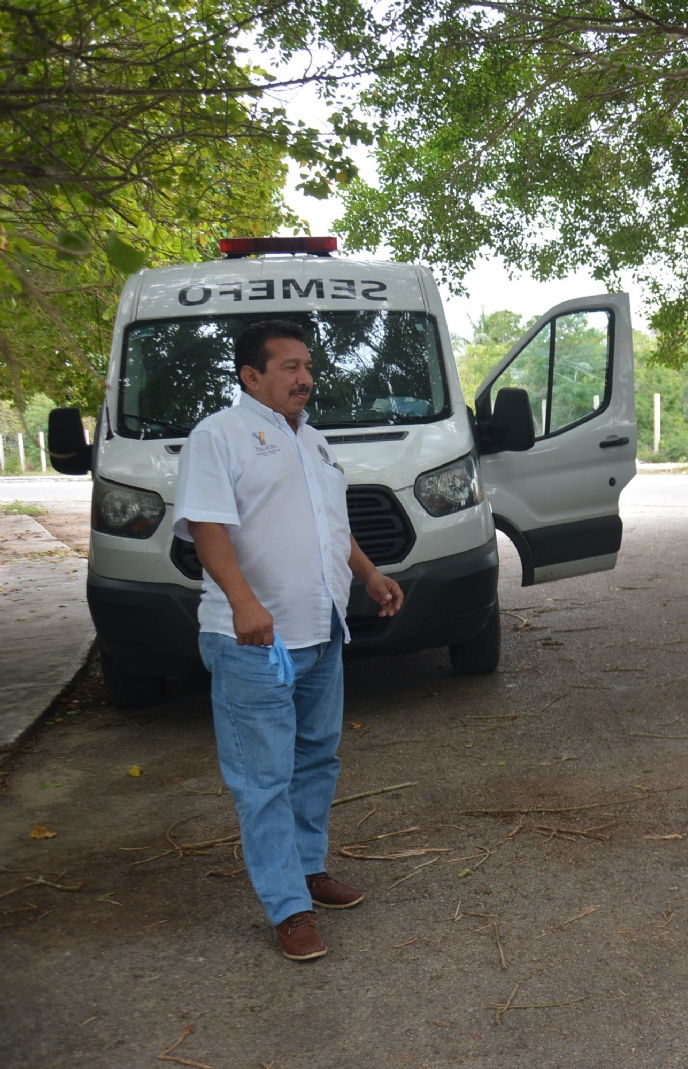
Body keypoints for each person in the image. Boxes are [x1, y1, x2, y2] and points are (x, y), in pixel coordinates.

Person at [174, 319, 404, 961]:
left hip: (322, 630)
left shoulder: (315, 441)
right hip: (252, 639)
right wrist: (244, 601)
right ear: (251, 376)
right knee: (262, 778)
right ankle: (288, 907)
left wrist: (369, 573)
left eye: (307, 366)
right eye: (288, 367)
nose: (305, 378)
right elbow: (207, 525)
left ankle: (309, 869)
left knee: (315, 761)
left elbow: (332, 524)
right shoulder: (218, 436)